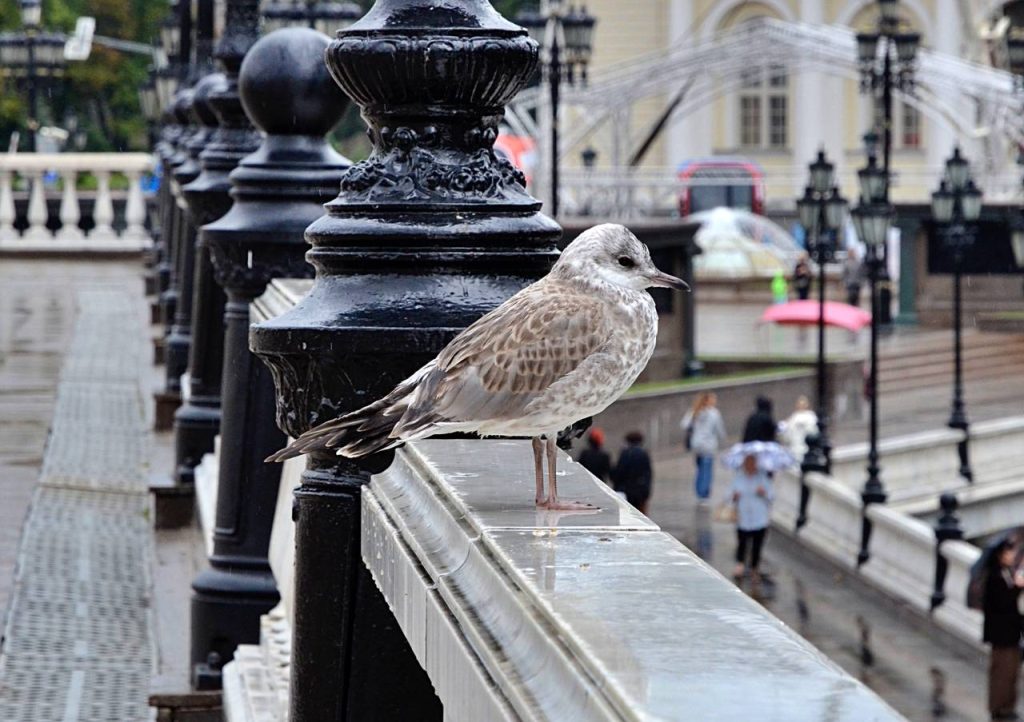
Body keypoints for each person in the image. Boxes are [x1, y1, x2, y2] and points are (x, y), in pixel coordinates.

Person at [983, 538, 1024, 720]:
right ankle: (999, 708)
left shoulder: (1007, 573)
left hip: (1011, 634)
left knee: (1011, 672)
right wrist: (1017, 588)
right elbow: (1002, 603)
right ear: (1000, 556)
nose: (1012, 556)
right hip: (1002, 635)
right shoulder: (995, 577)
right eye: (1009, 553)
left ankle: (1008, 705)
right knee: (1002, 672)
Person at [731, 453, 773, 581]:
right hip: (743, 517)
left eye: (751, 463)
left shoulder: (762, 478)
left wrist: (764, 492)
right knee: (742, 542)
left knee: (757, 544)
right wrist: (735, 496)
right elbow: (728, 495)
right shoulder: (739, 477)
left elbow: (772, 496)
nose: (749, 466)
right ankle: (740, 564)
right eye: (747, 463)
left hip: (759, 518)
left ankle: (755, 567)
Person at [681, 392, 727, 504]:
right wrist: (723, 439)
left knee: (700, 468)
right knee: (706, 469)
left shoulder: (694, 411)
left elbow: (684, 425)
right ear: (709, 401)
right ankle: (703, 493)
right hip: (709, 445)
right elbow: (719, 429)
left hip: (696, 444)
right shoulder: (714, 413)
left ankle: (698, 491)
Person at [612, 431, 653, 514]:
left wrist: (617, 487)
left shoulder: (625, 453)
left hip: (626, 490)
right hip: (640, 491)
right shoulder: (644, 453)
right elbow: (648, 474)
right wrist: (646, 491)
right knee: (640, 516)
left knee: (627, 514)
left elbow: (619, 472)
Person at [779, 395, 818, 462]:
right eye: (799, 404)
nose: (801, 406)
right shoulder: (794, 416)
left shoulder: (810, 415)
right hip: (795, 444)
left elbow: (813, 429)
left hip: (806, 444)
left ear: (807, 405)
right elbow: (788, 429)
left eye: (803, 404)